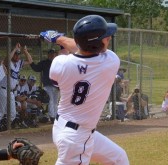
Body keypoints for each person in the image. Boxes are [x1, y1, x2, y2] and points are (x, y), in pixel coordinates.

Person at [40, 15, 129, 165]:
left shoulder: (60, 63)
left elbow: (79, 49)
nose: (108, 38)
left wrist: (58, 39)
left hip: (63, 126)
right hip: (76, 138)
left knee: (119, 158)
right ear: (98, 43)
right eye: (106, 37)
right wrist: (60, 38)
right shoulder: (111, 61)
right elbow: (80, 47)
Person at [0, 43, 30, 132]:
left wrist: (25, 52)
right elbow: (6, 60)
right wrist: (14, 49)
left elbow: (30, 61)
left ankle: (3, 128)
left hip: (11, 92)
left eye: (18, 55)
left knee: (12, 114)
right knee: (1, 112)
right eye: (15, 54)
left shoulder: (18, 64)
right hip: (2, 89)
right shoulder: (7, 63)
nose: (17, 56)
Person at [27, 48, 60, 123]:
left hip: (57, 86)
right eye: (50, 53)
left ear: (55, 54)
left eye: (53, 53)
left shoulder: (58, 63)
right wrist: (31, 62)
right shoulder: (44, 63)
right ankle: (52, 117)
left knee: (55, 102)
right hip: (48, 85)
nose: (52, 55)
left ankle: (55, 116)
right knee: (51, 100)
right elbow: (36, 68)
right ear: (48, 54)